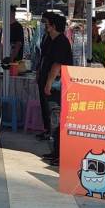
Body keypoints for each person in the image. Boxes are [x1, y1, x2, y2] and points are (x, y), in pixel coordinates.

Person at [39, 14, 73, 162]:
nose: (44, 26)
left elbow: (57, 65)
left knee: (57, 118)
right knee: (53, 118)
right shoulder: (51, 40)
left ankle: (60, 154)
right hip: (52, 82)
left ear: (52, 26)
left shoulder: (61, 42)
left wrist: (48, 83)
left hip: (57, 84)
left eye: (46, 23)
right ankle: (55, 151)